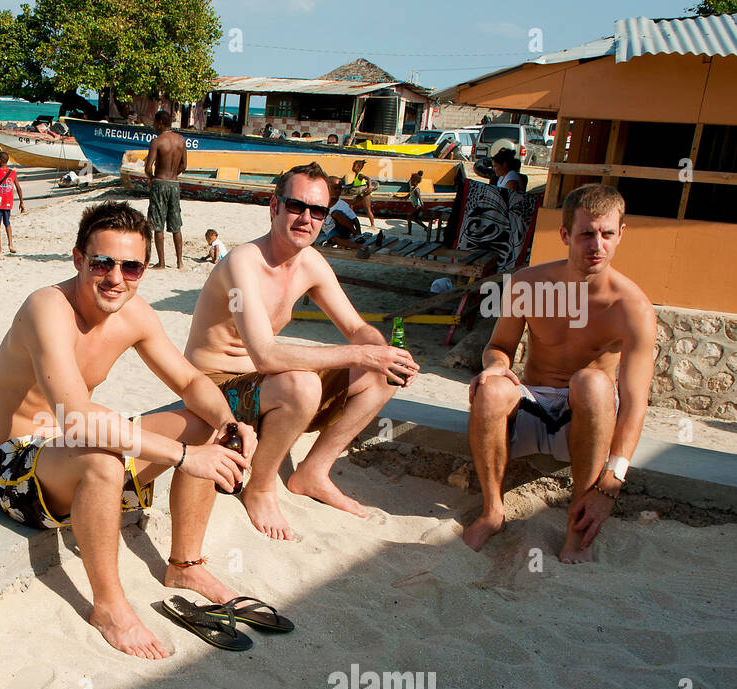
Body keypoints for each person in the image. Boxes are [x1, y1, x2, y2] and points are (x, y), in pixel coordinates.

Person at [0, 202, 257, 659]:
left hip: (75, 450)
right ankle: (108, 606)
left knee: (203, 424)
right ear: (78, 259)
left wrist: (229, 423)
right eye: (102, 263)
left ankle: (184, 565)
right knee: (102, 459)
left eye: (131, 266)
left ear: (143, 270)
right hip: (20, 467)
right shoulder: (47, 307)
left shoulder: (134, 313)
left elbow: (191, 381)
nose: (116, 278)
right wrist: (185, 457)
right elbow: (75, 418)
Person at [184, 163, 419, 539]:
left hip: (262, 383)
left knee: (383, 371)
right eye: (296, 206)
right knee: (305, 385)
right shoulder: (243, 264)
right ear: (274, 207)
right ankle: (260, 488)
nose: (306, 218)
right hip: (212, 385)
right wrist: (359, 355)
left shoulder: (309, 263)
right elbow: (264, 355)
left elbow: (356, 328)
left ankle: (313, 472)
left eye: (318, 211)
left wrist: (383, 352)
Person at [463, 184, 655, 562]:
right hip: (533, 404)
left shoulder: (632, 307)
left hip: (586, 420)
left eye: (607, 234)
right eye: (586, 234)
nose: (597, 245)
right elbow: (498, 347)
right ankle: (492, 511)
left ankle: (576, 524)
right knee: (492, 389)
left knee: (592, 381)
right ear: (566, 235)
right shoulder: (528, 284)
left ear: (621, 235)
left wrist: (612, 481)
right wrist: (497, 366)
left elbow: (634, 402)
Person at [144, 109, 187, 269]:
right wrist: (173, 175)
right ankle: (179, 262)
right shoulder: (181, 140)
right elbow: (184, 164)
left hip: (160, 183)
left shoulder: (157, 142)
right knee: (176, 224)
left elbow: (148, 167)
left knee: (157, 224)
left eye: (155, 122)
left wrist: (151, 178)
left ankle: (162, 263)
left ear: (160, 123)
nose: (153, 125)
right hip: (174, 184)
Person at [0, 151, 25, 254]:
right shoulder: (12, 173)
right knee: (7, 223)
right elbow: (18, 188)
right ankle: (10, 245)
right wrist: (21, 202)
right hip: (8, 202)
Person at [318, 176, 365, 253]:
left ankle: (358, 240)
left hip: (343, 229)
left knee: (335, 213)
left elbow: (355, 219)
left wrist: (358, 233)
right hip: (331, 232)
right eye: (335, 189)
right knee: (334, 239)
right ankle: (356, 246)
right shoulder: (321, 203)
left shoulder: (342, 205)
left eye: (340, 189)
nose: (338, 191)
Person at [341, 159, 378, 228]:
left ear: (358, 167)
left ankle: (373, 225)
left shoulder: (360, 175)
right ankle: (352, 219)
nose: (352, 167)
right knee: (351, 205)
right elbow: (355, 185)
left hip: (365, 194)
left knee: (367, 209)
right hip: (360, 194)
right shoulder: (356, 175)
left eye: (354, 166)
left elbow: (368, 178)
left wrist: (370, 187)